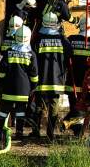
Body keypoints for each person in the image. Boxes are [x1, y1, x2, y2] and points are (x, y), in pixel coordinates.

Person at [0, 20, 38, 144]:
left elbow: (2, 70)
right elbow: (34, 74)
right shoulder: (31, 54)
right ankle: (19, 133)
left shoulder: (9, 51)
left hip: (8, 88)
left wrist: (1, 82)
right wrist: (33, 87)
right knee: (20, 112)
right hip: (23, 90)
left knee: (3, 111)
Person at [32, 11, 71, 139]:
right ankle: (50, 133)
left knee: (38, 105)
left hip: (40, 79)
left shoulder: (38, 39)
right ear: (56, 24)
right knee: (54, 106)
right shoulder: (62, 40)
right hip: (56, 79)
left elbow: (32, 57)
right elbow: (69, 55)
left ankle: (35, 131)